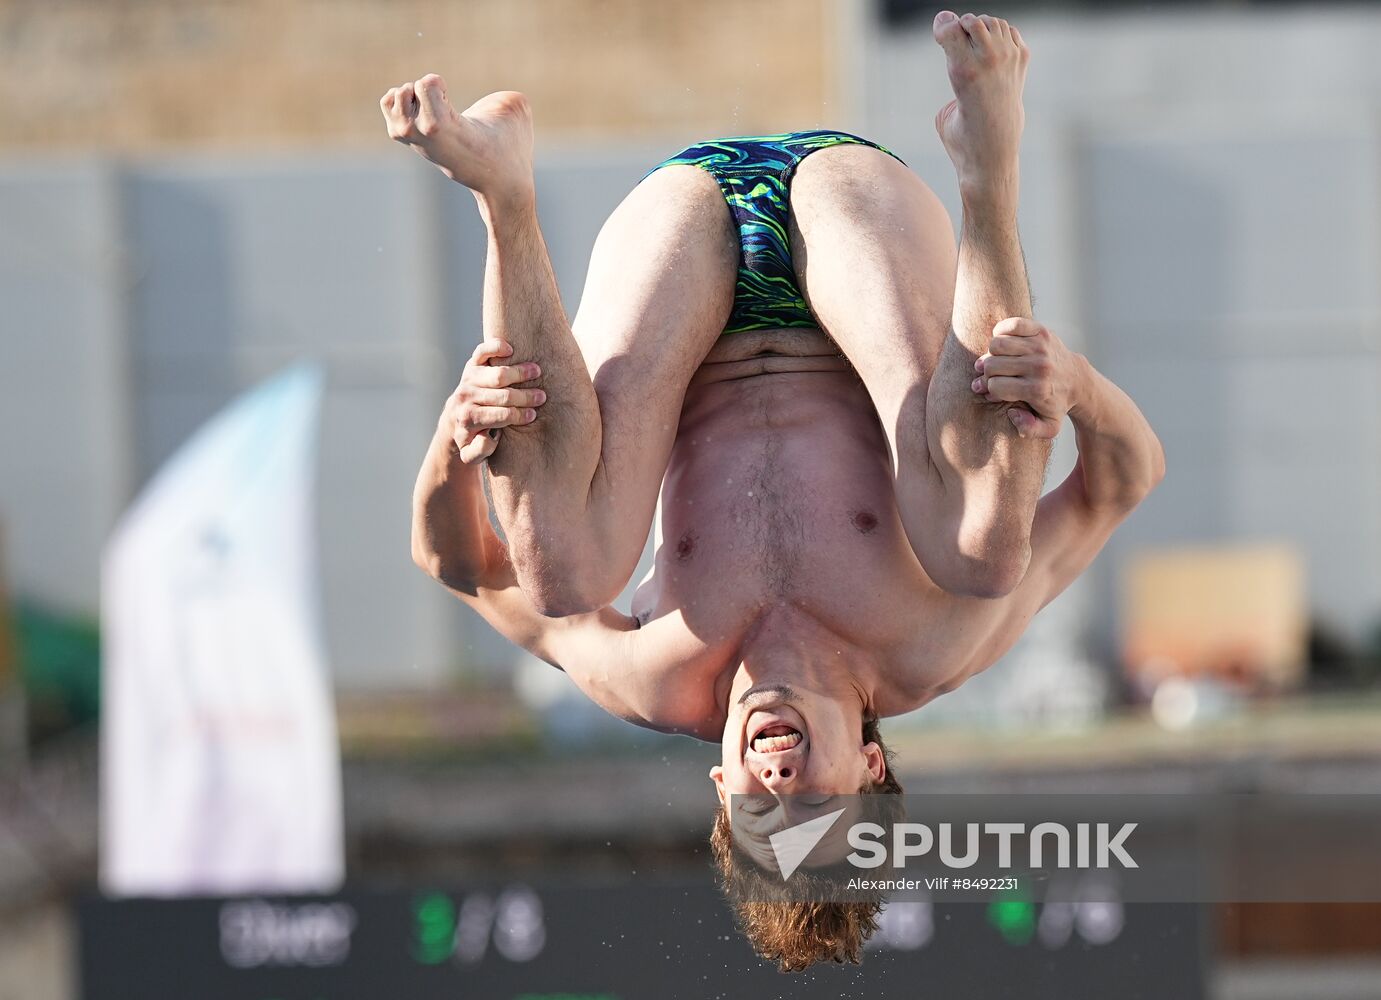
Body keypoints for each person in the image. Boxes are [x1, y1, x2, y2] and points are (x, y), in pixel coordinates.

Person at [389, 9, 1164, 969]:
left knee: (561, 575)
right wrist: (1074, 385)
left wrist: (458, 430)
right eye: (811, 800)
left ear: (719, 786)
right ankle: (987, 166)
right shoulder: (933, 643)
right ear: (869, 769)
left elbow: (458, 565)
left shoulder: (654, 676)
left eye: (757, 803)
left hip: (679, 246)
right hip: (854, 220)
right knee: (980, 552)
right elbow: (1120, 484)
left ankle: (503, 194)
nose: (778, 773)